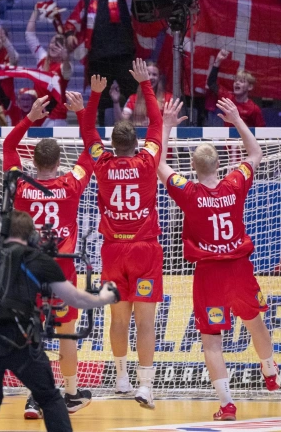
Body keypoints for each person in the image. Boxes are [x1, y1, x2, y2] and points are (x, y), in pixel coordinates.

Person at [158, 97, 279, 421]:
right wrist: (238, 119)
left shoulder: (188, 192)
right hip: (239, 269)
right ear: (220, 164)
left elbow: (157, 163)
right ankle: (270, 371)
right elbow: (256, 153)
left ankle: (227, 404)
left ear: (194, 169)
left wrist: (167, 125)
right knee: (255, 322)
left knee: (212, 341)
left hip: (210, 275)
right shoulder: (235, 183)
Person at [0, 210, 120, 432]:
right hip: (19, 338)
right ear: (32, 236)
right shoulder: (36, 259)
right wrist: (105, 297)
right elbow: (75, 298)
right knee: (49, 398)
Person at [3, 90, 97, 419]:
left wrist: (31, 117)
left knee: (34, 334)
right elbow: (92, 149)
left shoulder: (21, 186)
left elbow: (8, 146)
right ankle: (69, 394)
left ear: (34, 161)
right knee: (66, 332)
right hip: (61, 272)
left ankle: (33, 397)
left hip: (28, 271)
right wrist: (82, 111)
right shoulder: (71, 184)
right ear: (58, 162)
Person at [78, 61, 164, 408]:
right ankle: (145, 386)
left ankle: (121, 377)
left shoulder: (101, 162)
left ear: (111, 144)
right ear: (135, 143)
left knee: (118, 319)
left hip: (113, 251)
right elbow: (157, 124)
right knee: (144, 322)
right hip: (143, 250)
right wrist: (146, 84)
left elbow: (87, 132)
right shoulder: (147, 162)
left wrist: (95, 95)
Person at [64, 0, 137, 124]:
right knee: (101, 98)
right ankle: (103, 132)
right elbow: (72, 21)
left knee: (132, 92)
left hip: (124, 56)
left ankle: (134, 130)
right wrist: (69, 34)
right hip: (98, 58)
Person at [25, 7, 72, 127]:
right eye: (52, 42)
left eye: (58, 45)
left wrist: (66, 58)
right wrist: (35, 10)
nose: (53, 46)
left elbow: (67, 70)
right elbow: (29, 35)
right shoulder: (42, 58)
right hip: (39, 114)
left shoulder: (64, 66)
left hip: (56, 119)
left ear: (64, 50)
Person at [208, 50, 265, 127]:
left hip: (243, 139)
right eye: (235, 81)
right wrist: (218, 60)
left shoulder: (254, 109)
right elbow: (211, 83)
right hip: (227, 139)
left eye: (241, 81)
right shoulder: (228, 99)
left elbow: (261, 131)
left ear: (250, 87)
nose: (237, 83)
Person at [112, 61, 171, 126]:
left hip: (161, 135)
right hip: (139, 135)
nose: (151, 77)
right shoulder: (133, 99)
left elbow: (172, 124)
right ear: (142, 77)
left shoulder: (168, 98)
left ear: (159, 77)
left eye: (154, 75)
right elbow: (121, 123)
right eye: (147, 74)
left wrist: (154, 123)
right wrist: (116, 102)